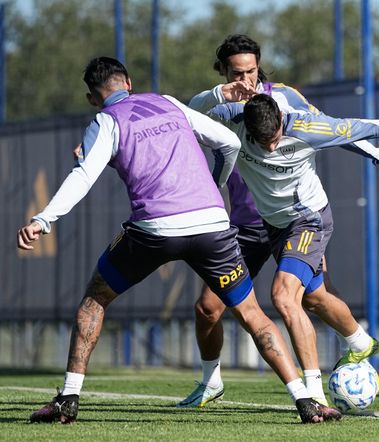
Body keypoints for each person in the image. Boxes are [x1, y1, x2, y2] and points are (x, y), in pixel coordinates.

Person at [18, 56, 341, 424]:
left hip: (154, 230)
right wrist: (215, 187)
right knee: (252, 315)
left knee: (95, 299)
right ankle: (305, 402)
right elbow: (227, 144)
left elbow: (83, 176)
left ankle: (68, 400)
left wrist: (44, 219)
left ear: (93, 98)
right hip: (213, 226)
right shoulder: (168, 102)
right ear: (129, 82)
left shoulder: (105, 121)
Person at [204, 92, 379, 409]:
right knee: (314, 298)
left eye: (275, 140)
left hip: (308, 220)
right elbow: (188, 116)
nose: (271, 148)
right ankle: (360, 341)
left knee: (284, 296)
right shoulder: (228, 116)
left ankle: (312, 394)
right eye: (263, 142)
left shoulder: (309, 127)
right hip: (273, 224)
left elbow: (370, 126)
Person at [178, 34, 379, 409]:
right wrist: (218, 95)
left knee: (312, 298)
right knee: (208, 307)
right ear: (223, 72)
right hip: (243, 228)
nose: (247, 81)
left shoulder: (284, 98)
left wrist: (376, 153)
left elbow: (329, 128)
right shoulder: (221, 107)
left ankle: (358, 342)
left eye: (252, 72)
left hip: (292, 221)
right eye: (237, 73)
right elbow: (185, 113)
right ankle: (211, 382)